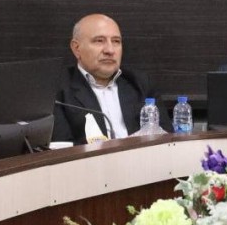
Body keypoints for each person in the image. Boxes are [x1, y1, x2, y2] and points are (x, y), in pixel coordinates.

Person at [53, 13, 170, 144]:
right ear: (76, 48)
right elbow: (61, 148)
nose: (110, 50)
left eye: (116, 41)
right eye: (99, 41)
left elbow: (167, 139)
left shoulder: (140, 83)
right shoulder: (57, 90)